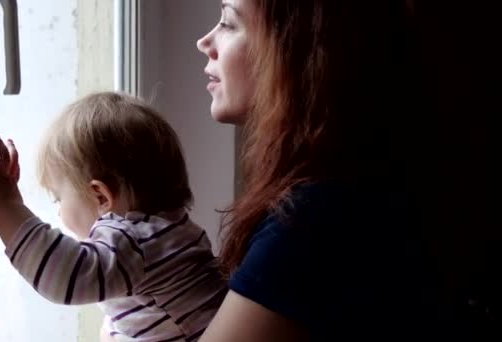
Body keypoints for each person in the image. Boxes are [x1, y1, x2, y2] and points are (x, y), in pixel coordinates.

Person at [195, 0, 456, 341]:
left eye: (228, 22)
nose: (205, 41)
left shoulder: (313, 221)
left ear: (297, 51)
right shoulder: (368, 181)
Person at [0, 92, 226, 341]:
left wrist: (5, 206)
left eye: (59, 198)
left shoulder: (132, 241)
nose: (59, 211)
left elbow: (63, 275)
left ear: (101, 197)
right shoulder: (173, 230)